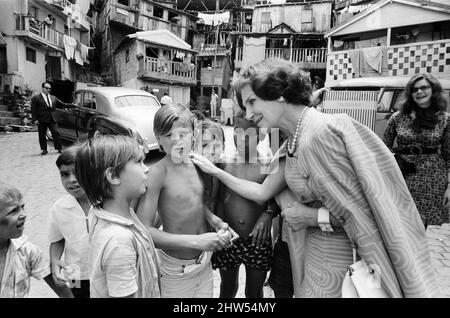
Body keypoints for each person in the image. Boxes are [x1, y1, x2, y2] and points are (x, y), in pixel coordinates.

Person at [190, 58, 440, 297]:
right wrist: (214, 170)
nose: (249, 112)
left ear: (277, 92)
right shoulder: (294, 140)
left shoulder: (320, 135)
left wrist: (309, 216)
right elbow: (263, 191)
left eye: (252, 101)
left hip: (341, 268)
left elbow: (364, 214)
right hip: (317, 262)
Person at [136, 105, 232, 298]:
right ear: (158, 137)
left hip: (204, 262)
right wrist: (197, 241)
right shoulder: (158, 173)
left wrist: (216, 222)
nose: (176, 141)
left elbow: (193, 203)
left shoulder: (194, 163)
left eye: (183, 134)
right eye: (169, 135)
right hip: (176, 270)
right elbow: (143, 231)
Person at [74, 135, 160, 298]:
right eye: (138, 162)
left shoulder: (114, 213)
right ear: (113, 176)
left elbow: (143, 236)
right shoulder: (118, 241)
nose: (146, 168)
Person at [211, 112, 273, 298]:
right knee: (228, 288)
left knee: (254, 293)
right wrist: (219, 229)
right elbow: (219, 199)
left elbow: (276, 198)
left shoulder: (267, 165)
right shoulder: (224, 165)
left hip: (258, 241)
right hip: (230, 240)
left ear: (261, 135)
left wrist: (269, 213)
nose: (242, 137)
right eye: (237, 131)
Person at [382, 73, 450, 229]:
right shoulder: (398, 117)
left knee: (419, 225)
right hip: (401, 174)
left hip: (431, 178)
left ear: (433, 90)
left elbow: (448, 155)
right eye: (414, 89)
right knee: (396, 221)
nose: (419, 91)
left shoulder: (445, 119)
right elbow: (382, 146)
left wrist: (449, 187)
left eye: (424, 87)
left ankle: (416, 253)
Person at [0, 182, 73, 298]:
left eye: (22, 207)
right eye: (13, 211)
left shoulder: (28, 252)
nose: (23, 215)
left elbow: (64, 292)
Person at [48, 145, 92, 298]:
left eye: (78, 172)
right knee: (77, 295)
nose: (71, 180)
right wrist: (54, 261)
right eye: (64, 174)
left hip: (105, 271)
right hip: (75, 272)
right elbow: (57, 240)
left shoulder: (107, 202)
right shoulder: (59, 208)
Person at [31, 82, 72, 155]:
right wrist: (35, 120)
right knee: (42, 134)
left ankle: (59, 148)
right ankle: (44, 149)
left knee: (56, 132)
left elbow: (63, 104)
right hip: (41, 119)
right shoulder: (36, 98)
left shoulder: (53, 97)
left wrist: (73, 106)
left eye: (49, 88)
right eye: (47, 88)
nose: (48, 90)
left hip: (52, 119)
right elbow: (33, 110)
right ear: (42, 88)